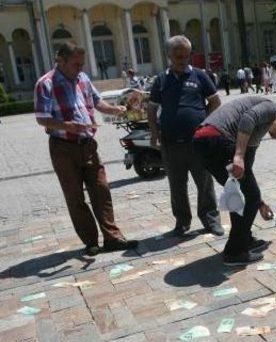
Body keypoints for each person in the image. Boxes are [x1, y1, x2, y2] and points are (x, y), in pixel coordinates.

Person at [34, 42, 138, 256]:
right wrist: (67, 126)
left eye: (82, 64)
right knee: (75, 196)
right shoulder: (45, 84)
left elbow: (98, 102)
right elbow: (42, 118)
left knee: (101, 190)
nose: (80, 68)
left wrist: (115, 110)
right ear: (60, 61)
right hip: (63, 148)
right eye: (76, 64)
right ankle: (91, 241)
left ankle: (112, 238)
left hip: (88, 145)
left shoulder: (83, 79)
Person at [192, 97, 276, 266]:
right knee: (248, 196)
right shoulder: (272, 109)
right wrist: (238, 155)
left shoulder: (256, 131)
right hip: (216, 138)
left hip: (202, 141)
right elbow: (248, 118)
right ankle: (235, 252)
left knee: (239, 194)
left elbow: (247, 171)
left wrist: (259, 203)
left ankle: (244, 240)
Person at [147, 35, 223, 237]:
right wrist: (154, 133)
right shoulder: (161, 80)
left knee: (205, 183)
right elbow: (152, 109)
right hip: (171, 144)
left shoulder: (199, 76)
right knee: (177, 185)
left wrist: (206, 122)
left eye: (187, 56)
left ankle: (210, 220)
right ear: (169, 56)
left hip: (197, 141)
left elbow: (215, 101)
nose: (183, 60)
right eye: (178, 56)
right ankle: (182, 222)